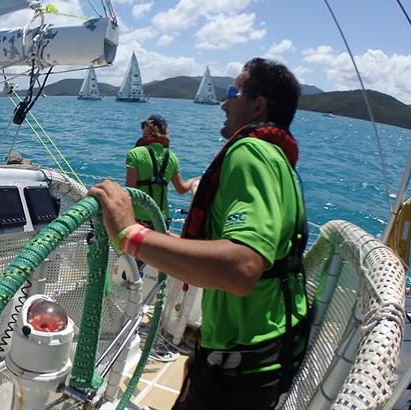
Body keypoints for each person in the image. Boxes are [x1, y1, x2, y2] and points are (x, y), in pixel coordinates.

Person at [89, 58, 308, 410]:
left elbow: (241, 267)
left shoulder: (251, 152)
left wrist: (129, 232)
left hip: (242, 368)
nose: (223, 103)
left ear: (258, 104)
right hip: (260, 353)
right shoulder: (279, 160)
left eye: (233, 93)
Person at [126, 113, 197, 228]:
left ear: (148, 128)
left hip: (139, 219)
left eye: (143, 125)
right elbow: (181, 189)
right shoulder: (172, 157)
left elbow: (130, 192)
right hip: (162, 220)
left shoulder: (134, 154)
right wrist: (194, 179)